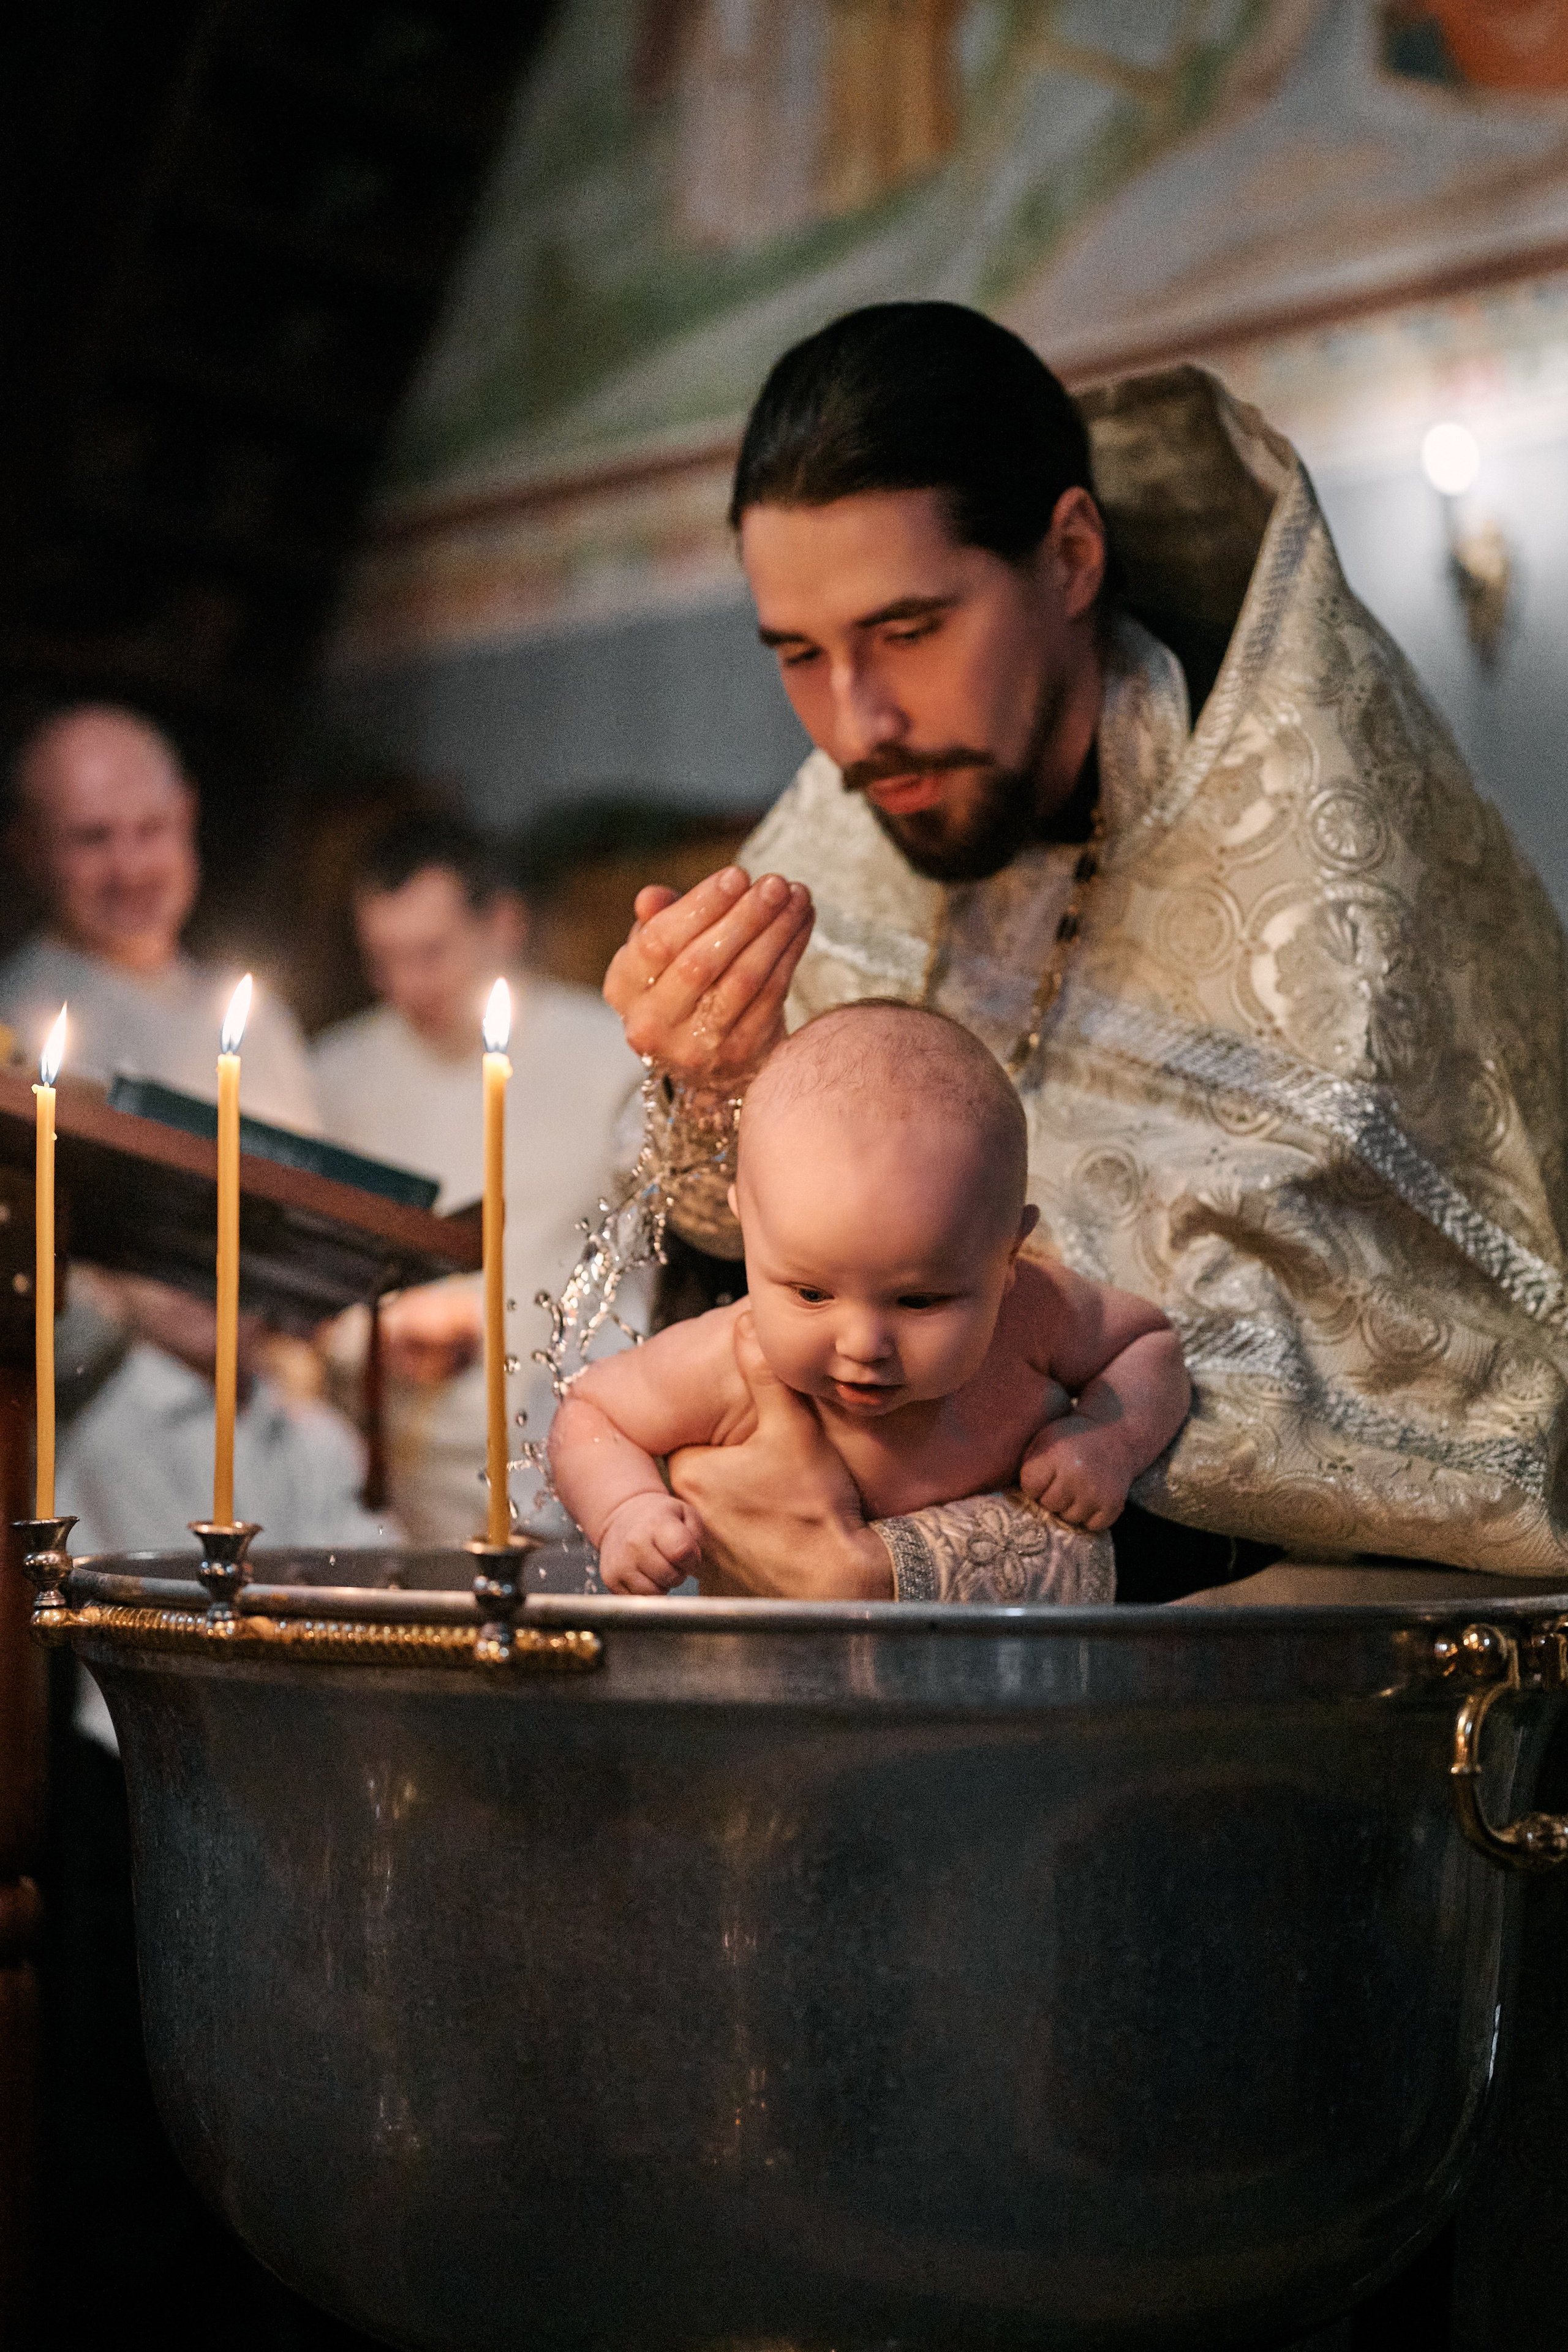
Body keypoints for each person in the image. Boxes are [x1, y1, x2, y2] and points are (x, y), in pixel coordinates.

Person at [600, 303, 1568, 1601]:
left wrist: (919, 1562)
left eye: (907, 632)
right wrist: (716, 1090)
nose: (857, 725)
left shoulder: (1328, 881)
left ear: (1066, 559)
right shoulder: (836, 837)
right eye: (800, 655)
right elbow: (726, 1304)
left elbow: (1425, 1414)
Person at [0, 704, 385, 1740]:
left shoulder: (253, 1014)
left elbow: (312, 1232)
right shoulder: (19, 1018)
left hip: (272, 1415)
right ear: (29, 850)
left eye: (150, 830)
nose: (131, 865)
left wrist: (329, 1322)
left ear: (189, 819)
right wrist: (127, 1306)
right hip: (111, 1430)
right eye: (92, 838)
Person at [551, 1001, 1188, 1599]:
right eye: (810, 1293)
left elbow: (1148, 1342)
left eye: (918, 1301)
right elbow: (591, 1411)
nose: (862, 1344)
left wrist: (1111, 1438)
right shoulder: (724, 1363)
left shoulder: (1035, 1316)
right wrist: (626, 1508)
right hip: (785, 1667)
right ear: (748, 1227)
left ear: (1008, 1258)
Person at [312, 811, 644, 1542]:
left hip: (582, 1459)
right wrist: (377, 1337)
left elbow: (649, 1253)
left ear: (503, 925)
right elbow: (306, 1283)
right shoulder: (334, 1076)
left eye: (431, 953)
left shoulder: (610, 1055)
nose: (407, 985)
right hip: (398, 1470)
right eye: (384, 960)